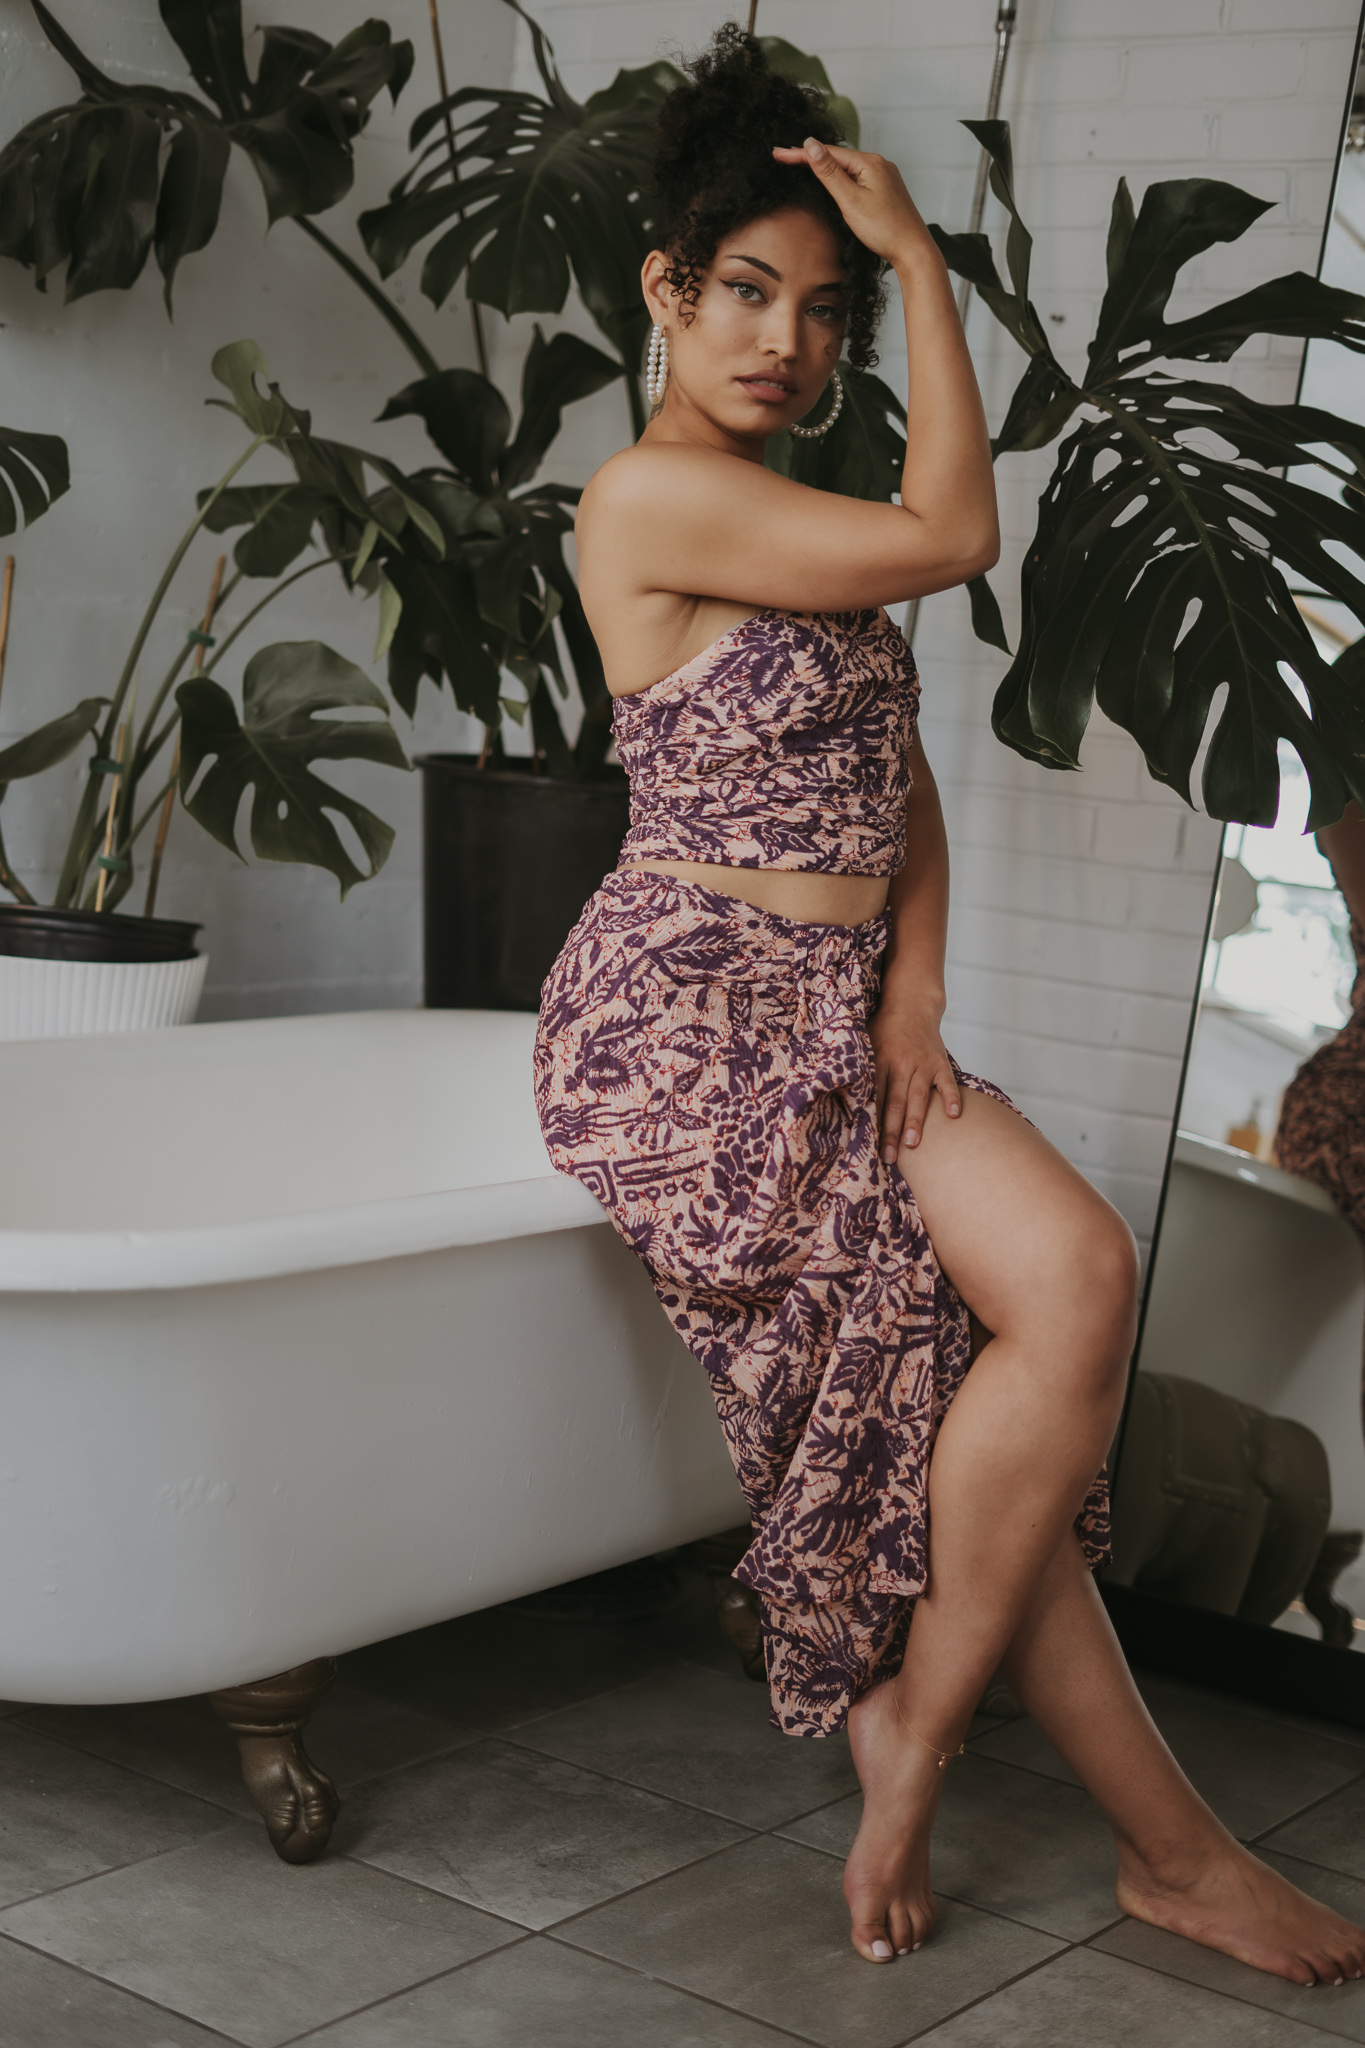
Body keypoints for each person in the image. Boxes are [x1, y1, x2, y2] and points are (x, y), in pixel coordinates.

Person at [534, 25, 1365, 1987]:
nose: (787, 342)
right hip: (687, 1029)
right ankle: (1126, 1833)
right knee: (959, 1400)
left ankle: (965, 1747)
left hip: (839, 1009)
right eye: (749, 293)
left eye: (825, 310)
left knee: (1068, 1282)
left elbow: (891, 779)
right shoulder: (646, 499)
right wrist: (917, 254)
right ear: (663, 292)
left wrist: (912, 998)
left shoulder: (784, 521)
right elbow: (953, 536)